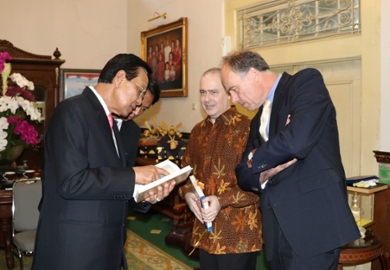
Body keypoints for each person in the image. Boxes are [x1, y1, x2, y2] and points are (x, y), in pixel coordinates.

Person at [31, 53, 175, 270]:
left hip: (106, 244)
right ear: (119, 78)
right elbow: (72, 181)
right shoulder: (73, 111)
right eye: (140, 90)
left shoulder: (115, 122)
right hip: (74, 247)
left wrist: (146, 193)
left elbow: (114, 182)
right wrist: (135, 174)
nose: (139, 101)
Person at [220, 51, 360, 270]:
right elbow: (242, 173)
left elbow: (297, 141)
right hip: (276, 232)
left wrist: (256, 155)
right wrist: (265, 171)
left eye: (234, 90)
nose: (233, 100)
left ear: (253, 74)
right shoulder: (257, 120)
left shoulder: (304, 83)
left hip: (312, 226)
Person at [179, 68, 262, 270]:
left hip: (237, 234)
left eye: (213, 92)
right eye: (202, 92)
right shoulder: (198, 131)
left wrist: (221, 201)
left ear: (229, 95)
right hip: (205, 232)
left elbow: (259, 183)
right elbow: (185, 174)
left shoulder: (247, 129)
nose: (207, 99)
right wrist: (188, 196)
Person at [119, 77, 160, 167]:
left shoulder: (133, 131)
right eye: (136, 104)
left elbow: (129, 169)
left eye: (143, 108)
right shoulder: (96, 121)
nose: (136, 112)